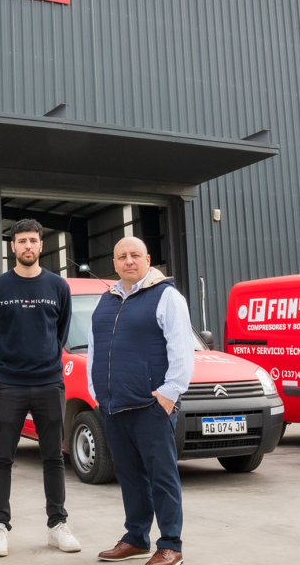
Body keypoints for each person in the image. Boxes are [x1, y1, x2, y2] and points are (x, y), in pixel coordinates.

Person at [87, 236, 195, 565]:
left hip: (151, 406)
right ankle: (136, 536)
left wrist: (169, 393)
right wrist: (95, 393)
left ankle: (170, 544)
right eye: (122, 257)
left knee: (161, 475)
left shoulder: (167, 297)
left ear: (148, 259)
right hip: (114, 405)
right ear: (115, 263)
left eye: (135, 255)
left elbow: (182, 349)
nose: (128, 261)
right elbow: (95, 348)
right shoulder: (106, 299)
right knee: (129, 475)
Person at [0, 218, 80, 557]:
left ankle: (57, 525)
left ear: (41, 245)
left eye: (33, 240)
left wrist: (46, 359)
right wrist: (8, 364)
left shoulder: (57, 287)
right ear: (13, 247)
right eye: (22, 241)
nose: (28, 246)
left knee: (53, 457)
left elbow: (61, 331)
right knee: (2, 457)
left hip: (50, 383)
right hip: (9, 385)